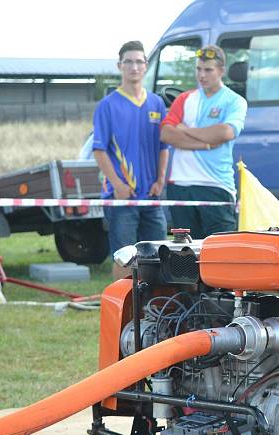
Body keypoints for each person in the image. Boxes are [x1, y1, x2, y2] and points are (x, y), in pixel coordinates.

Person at [92, 41, 169, 279]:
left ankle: (153, 306)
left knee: (159, 254)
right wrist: (117, 185)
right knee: (124, 256)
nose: (134, 66)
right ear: (119, 66)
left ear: (146, 66)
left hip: (151, 197)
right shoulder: (107, 105)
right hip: (122, 197)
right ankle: (121, 309)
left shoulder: (156, 103)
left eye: (139, 61)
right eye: (129, 62)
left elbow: (163, 146)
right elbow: (99, 150)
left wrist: (160, 180)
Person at [160, 45, 248, 239]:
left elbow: (225, 133)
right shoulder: (184, 98)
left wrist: (185, 130)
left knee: (220, 253)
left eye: (208, 70)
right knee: (185, 255)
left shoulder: (234, 101)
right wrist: (206, 143)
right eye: (198, 69)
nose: (202, 75)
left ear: (221, 71)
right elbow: (166, 134)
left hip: (216, 185)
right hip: (181, 184)